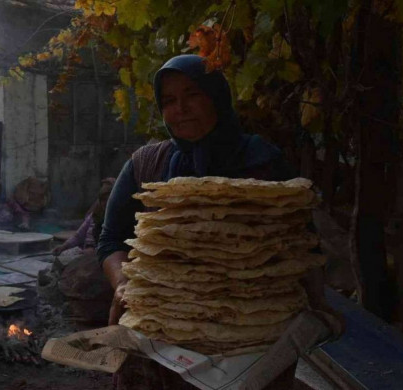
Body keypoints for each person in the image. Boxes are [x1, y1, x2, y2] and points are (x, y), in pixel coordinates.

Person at [96, 55, 333, 389]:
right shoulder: (145, 165)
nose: (181, 108)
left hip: (254, 334)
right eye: (169, 101)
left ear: (217, 97)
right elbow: (110, 241)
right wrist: (123, 283)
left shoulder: (262, 162)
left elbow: (300, 242)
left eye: (193, 94)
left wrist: (317, 305)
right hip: (162, 331)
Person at [52, 178, 116, 256]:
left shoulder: (118, 219)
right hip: (86, 253)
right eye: (103, 199)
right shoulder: (94, 215)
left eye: (109, 199)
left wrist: (94, 251)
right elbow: (79, 235)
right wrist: (63, 246)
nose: (106, 203)